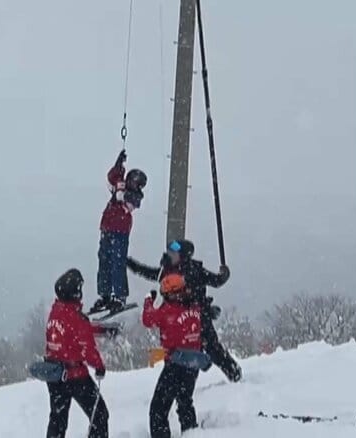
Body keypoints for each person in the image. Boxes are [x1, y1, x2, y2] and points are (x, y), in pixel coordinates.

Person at [127, 239, 242, 382]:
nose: (169, 255)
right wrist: (130, 264)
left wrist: (223, 275)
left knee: (212, 349)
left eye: (174, 252)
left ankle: (234, 375)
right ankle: (182, 390)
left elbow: (216, 281)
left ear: (183, 255)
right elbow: (147, 272)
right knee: (181, 354)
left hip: (198, 318)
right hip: (179, 322)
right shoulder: (166, 271)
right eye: (169, 252)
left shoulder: (195, 270)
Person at [45, 269, 111, 438]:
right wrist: (99, 367)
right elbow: (87, 348)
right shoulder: (76, 318)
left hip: (54, 375)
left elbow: (70, 332)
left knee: (57, 421)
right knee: (100, 415)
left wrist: (98, 329)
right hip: (75, 376)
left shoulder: (55, 311)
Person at [142, 273, 203, 438]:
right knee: (185, 401)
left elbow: (148, 319)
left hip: (175, 365)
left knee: (158, 410)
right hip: (194, 362)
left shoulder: (167, 311)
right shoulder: (195, 307)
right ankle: (191, 432)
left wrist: (149, 300)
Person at [91, 149, 147, 314]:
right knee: (104, 261)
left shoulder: (135, 196)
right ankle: (105, 294)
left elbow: (126, 200)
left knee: (117, 262)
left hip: (119, 231)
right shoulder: (120, 185)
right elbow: (111, 180)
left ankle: (120, 295)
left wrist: (121, 190)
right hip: (107, 228)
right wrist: (118, 165)